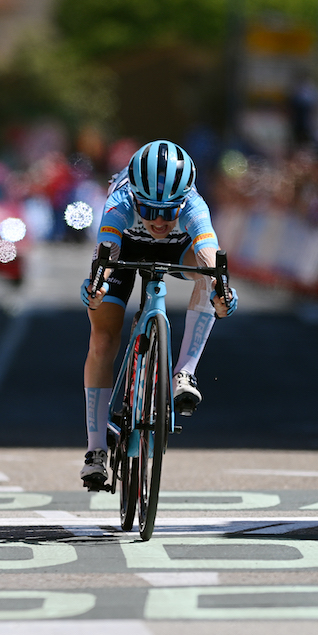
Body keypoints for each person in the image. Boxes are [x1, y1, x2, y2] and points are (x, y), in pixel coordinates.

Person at [79, 140, 237, 489]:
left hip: (177, 253)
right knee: (103, 338)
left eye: (169, 212)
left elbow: (208, 252)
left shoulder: (194, 204)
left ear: (183, 200)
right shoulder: (119, 201)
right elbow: (107, 251)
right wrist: (98, 285)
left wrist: (219, 290)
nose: (159, 221)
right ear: (135, 197)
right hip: (125, 252)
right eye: (149, 211)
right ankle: (95, 450)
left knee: (206, 275)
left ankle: (184, 374)